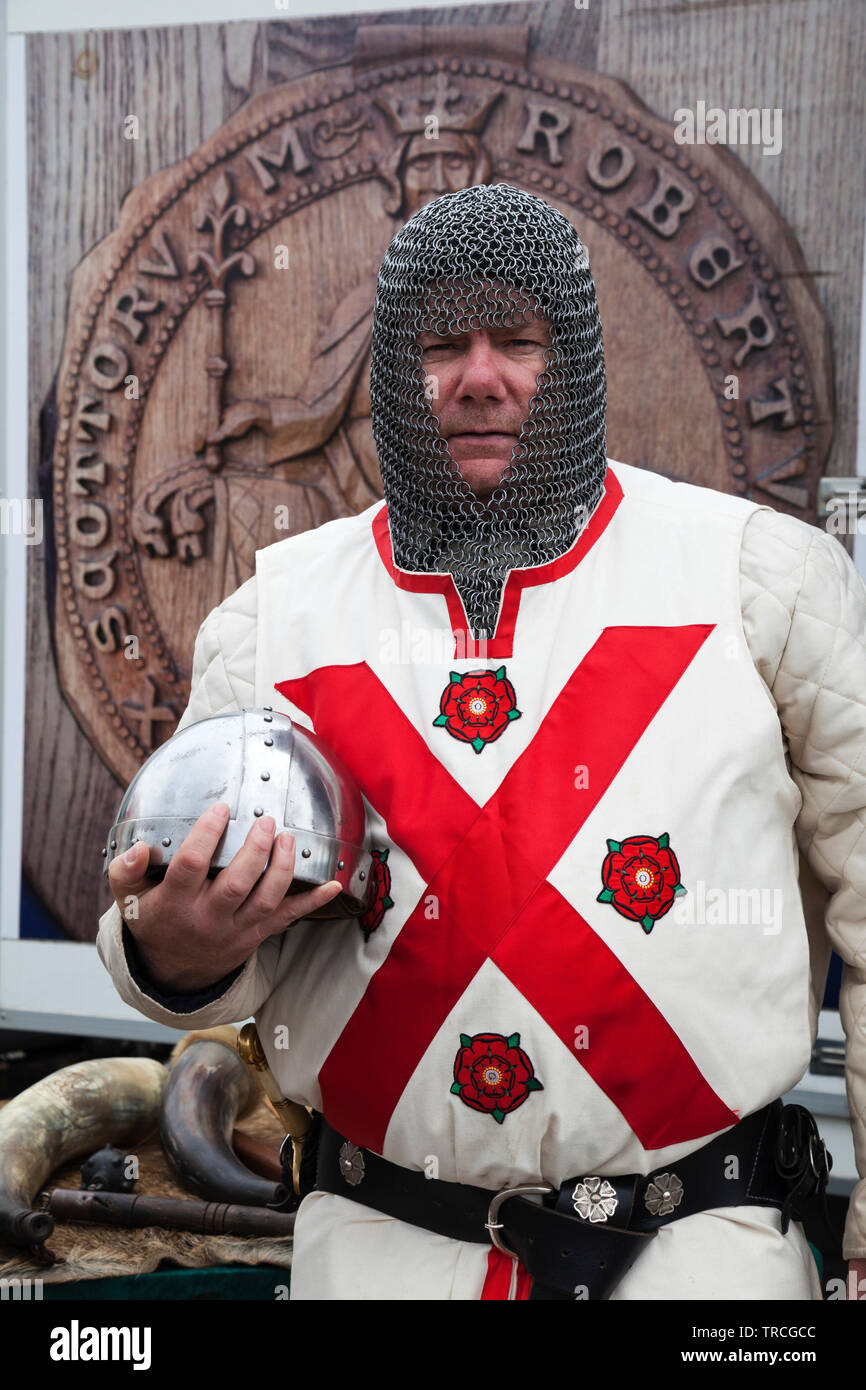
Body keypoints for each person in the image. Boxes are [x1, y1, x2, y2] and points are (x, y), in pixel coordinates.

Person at [97, 183, 866, 1301]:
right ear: (390, 375)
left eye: (517, 340)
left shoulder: (757, 579)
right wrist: (176, 947)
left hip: (695, 1263)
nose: (479, 376)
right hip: (374, 1255)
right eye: (440, 345)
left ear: (573, 359)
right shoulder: (278, 618)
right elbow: (191, 941)